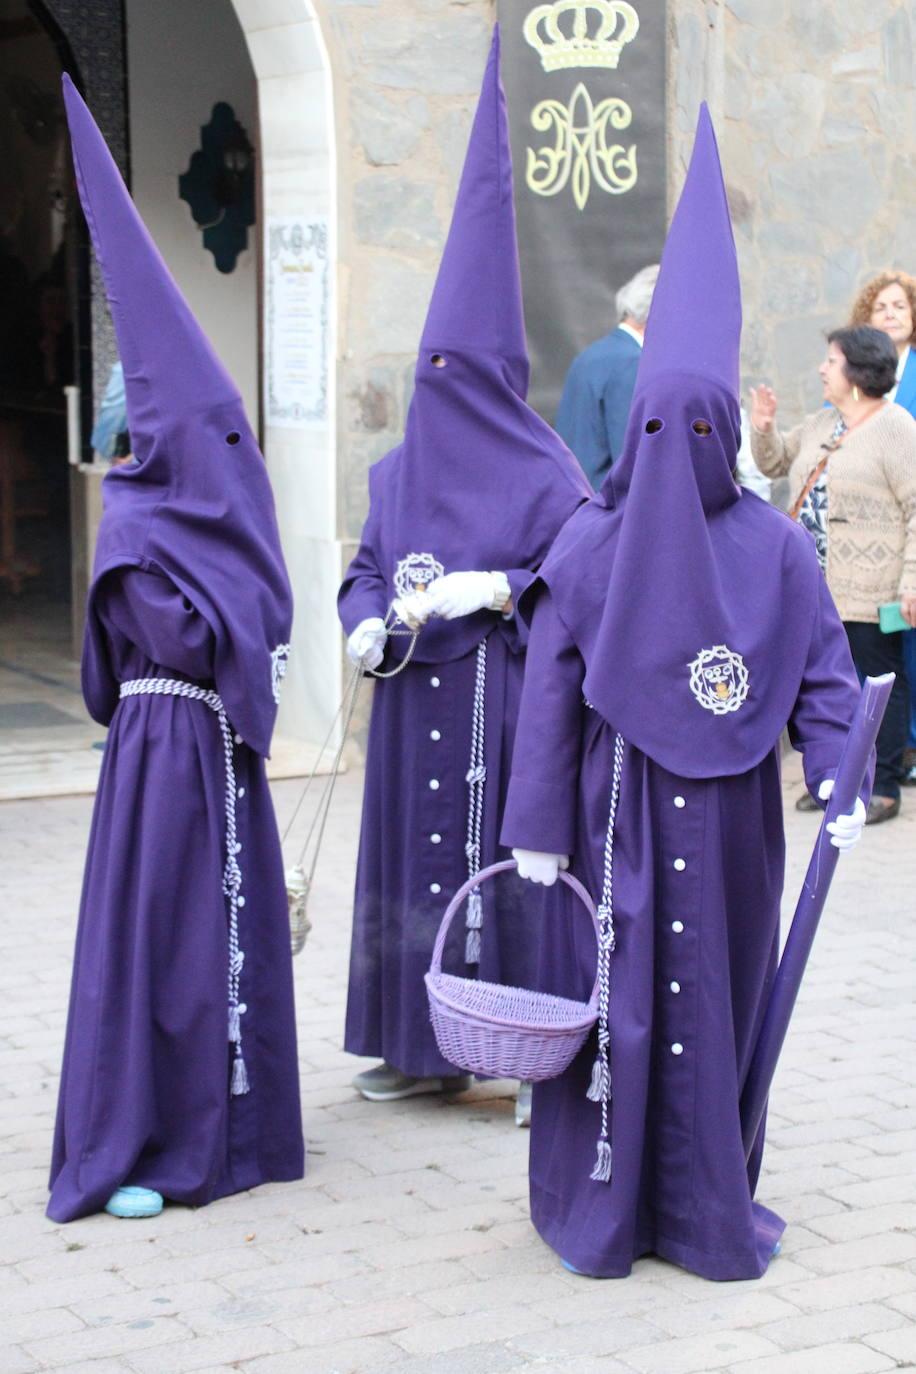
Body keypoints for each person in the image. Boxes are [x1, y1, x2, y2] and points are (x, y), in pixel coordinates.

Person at [499, 105, 868, 1281]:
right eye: (654, 424)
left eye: (693, 425)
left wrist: (842, 773)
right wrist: (533, 838)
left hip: (730, 831)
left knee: (709, 1000)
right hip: (615, 819)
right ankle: (605, 1207)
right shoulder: (588, 543)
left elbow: (823, 671)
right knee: (617, 1006)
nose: (670, 442)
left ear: (724, 433)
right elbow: (550, 698)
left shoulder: (774, 552)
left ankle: (704, 1204)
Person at [48, 77, 304, 1222]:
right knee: (164, 934)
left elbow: (252, 621)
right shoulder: (143, 518)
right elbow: (174, 640)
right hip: (163, 749)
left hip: (209, 751)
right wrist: (244, 616)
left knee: (222, 934)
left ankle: (230, 1117)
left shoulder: (209, 516)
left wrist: (257, 614)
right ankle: (148, 1126)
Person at [338, 29, 589, 1108]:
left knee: (512, 871)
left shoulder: (548, 470)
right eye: (425, 369)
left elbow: (579, 578)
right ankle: (417, 1049)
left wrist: (496, 590)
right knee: (410, 879)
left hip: (503, 708)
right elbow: (362, 566)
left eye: (457, 371)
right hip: (410, 712)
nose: (437, 386)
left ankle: (527, 1046)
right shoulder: (396, 472)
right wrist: (360, 616)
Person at [750, 326, 916, 824]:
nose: (822, 369)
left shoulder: (897, 429)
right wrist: (763, 426)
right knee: (818, 688)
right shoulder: (824, 424)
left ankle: (882, 784)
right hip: (813, 588)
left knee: (874, 687)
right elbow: (776, 462)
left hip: (870, 588)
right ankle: (834, 778)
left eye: (830, 360)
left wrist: (911, 580)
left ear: (858, 371)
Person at [849, 270, 916, 781]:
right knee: (891, 646)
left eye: (900, 306)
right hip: (875, 544)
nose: (891, 314)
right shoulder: (858, 382)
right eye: (881, 308)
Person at [555, 264, 659, 489]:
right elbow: (631, 459)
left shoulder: (590, 356)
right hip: (609, 509)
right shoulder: (632, 363)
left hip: (577, 502)